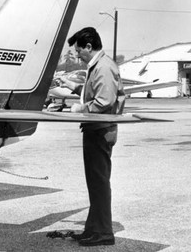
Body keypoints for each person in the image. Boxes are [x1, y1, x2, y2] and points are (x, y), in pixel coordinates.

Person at [59, 27, 125, 247]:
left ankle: (104, 233)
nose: (78, 56)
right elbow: (95, 91)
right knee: (96, 183)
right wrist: (75, 86)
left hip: (100, 130)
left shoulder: (104, 67)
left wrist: (79, 109)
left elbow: (104, 101)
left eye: (80, 51)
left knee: (99, 183)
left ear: (89, 46)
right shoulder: (98, 66)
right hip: (96, 129)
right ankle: (93, 229)